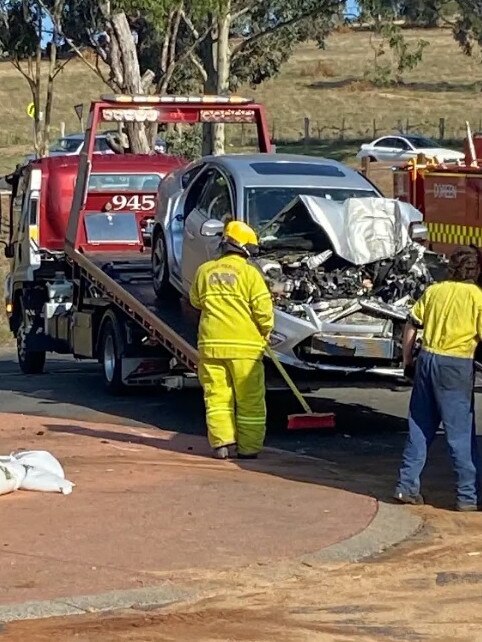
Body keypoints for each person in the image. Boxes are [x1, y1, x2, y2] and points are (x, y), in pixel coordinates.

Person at [395, 246, 482, 511]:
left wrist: (407, 360)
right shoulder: (477, 298)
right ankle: (468, 496)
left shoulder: (434, 291)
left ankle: (405, 487)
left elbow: (412, 325)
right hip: (456, 364)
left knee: (420, 425)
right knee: (460, 433)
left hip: (427, 360)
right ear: (476, 270)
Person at [189, 220, 274, 460]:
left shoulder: (205, 271)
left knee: (216, 397)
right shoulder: (250, 274)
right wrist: (266, 330)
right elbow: (263, 311)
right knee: (249, 400)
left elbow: (196, 301)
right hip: (245, 348)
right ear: (246, 248)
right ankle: (249, 448)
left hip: (211, 345)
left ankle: (221, 444)